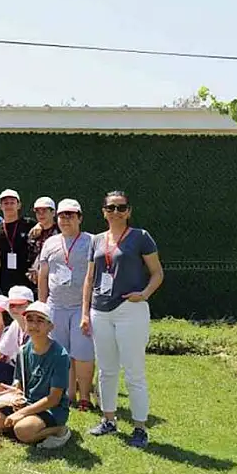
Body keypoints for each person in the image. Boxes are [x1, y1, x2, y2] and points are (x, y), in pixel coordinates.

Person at [81, 191, 164, 449]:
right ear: (103, 211)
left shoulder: (141, 237)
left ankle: (140, 428)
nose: (115, 212)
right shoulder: (96, 240)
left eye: (121, 208)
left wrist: (145, 294)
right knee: (106, 370)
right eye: (111, 208)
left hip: (130, 309)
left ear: (128, 211)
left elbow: (157, 272)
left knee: (134, 371)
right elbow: (89, 278)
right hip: (100, 310)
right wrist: (85, 312)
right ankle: (108, 420)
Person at [0, 302, 72, 449]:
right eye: (30, 320)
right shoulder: (23, 351)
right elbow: (19, 384)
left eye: (40, 321)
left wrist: (22, 412)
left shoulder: (60, 355)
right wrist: (16, 395)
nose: (33, 325)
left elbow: (54, 399)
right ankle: (18, 427)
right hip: (26, 403)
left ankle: (59, 430)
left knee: (23, 431)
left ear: (50, 326)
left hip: (51, 409)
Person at [38, 199, 94, 411]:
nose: (65, 219)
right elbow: (43, 276)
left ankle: (85, 397)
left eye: (70, 215)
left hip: (81, 307)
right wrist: (42, 307)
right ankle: (69, 394)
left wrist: (88, 310)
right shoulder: (50, 243)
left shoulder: (91, 241)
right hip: (55, 306)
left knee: (83, 353)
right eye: (62, 216)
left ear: (80, 217)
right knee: (61, 353)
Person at [0, 189, 34, 291]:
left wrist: (40, 226)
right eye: (5, 203)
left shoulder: (29, 225)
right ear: (0, 206)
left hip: (27, 281)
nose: (9, 206)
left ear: (19, 205)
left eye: (12, 203)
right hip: (4, 282)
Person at [27, 196, 60, 284]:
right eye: (38, 211)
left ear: (53, 213)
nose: (41, 214)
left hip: (55, 281)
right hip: (35, 283)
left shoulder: (61, 232)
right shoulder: (32, 233)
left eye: (44, 211)